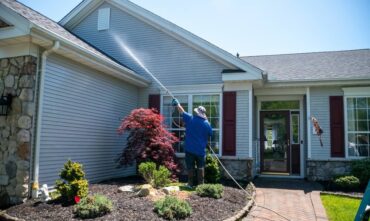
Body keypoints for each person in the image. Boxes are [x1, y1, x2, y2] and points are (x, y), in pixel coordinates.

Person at [172, 98, 213, 187]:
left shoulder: (190, 118)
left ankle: (190, 184)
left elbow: (182, 111)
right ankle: (200, 185)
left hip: (190, 149)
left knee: (190, 167)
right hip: (200, 151)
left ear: (197, 112)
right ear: (203, 114)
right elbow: (210, 133)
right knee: (200, 167)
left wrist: (178, 103)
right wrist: (207, 120)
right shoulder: (206, 124)